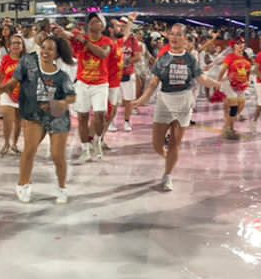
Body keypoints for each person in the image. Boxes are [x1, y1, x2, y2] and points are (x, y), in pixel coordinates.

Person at [0, 34, 76, 204]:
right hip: (34, 114)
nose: (45, 52)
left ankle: (62, 187)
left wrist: (62, 103)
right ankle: (23, 184)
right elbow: (11, 83)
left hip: (57, 117)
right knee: (29, 150)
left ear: (57, 54)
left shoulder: (62, 75)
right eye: (44, 47)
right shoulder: (28, 62)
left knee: (57, 155)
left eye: (50, 49)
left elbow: (71, 96)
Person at [130, 24, 214, 191]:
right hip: (164, 101)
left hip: (184, 100)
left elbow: (202, 79)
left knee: (175, 142)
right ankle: (170, 158)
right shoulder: (163, 57)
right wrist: (143, 98)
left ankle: (168, 174)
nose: (174, 38)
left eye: (178, 35)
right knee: (156, 144)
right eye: (172, 34)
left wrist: (218, 84)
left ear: (185, 38)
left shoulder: (191, 59)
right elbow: (154, 82)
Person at [55, 14, 116, 162]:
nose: (93, 23)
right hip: (82, 83)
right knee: (82, 117)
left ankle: (97, 139)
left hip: (100, 83)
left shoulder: (106, 41)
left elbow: (103, 54)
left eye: (97, 21)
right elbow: (71, 38)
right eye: (91, 21)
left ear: (102, 25)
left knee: (100, 115)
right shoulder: (81, 38)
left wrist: (86, 43)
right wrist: (63, 34)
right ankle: (85, 149)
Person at [0, 38, 27, 156]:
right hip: (7, 93)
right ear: (10, 46)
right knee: (7, 120)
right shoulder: (5, 59)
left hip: (22, 94)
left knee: (18, 121)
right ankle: (6, 143)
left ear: (22, 46)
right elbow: (0, 76)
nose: (16, 45)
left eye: (19, 43)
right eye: (13, 43)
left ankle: (15, 144)